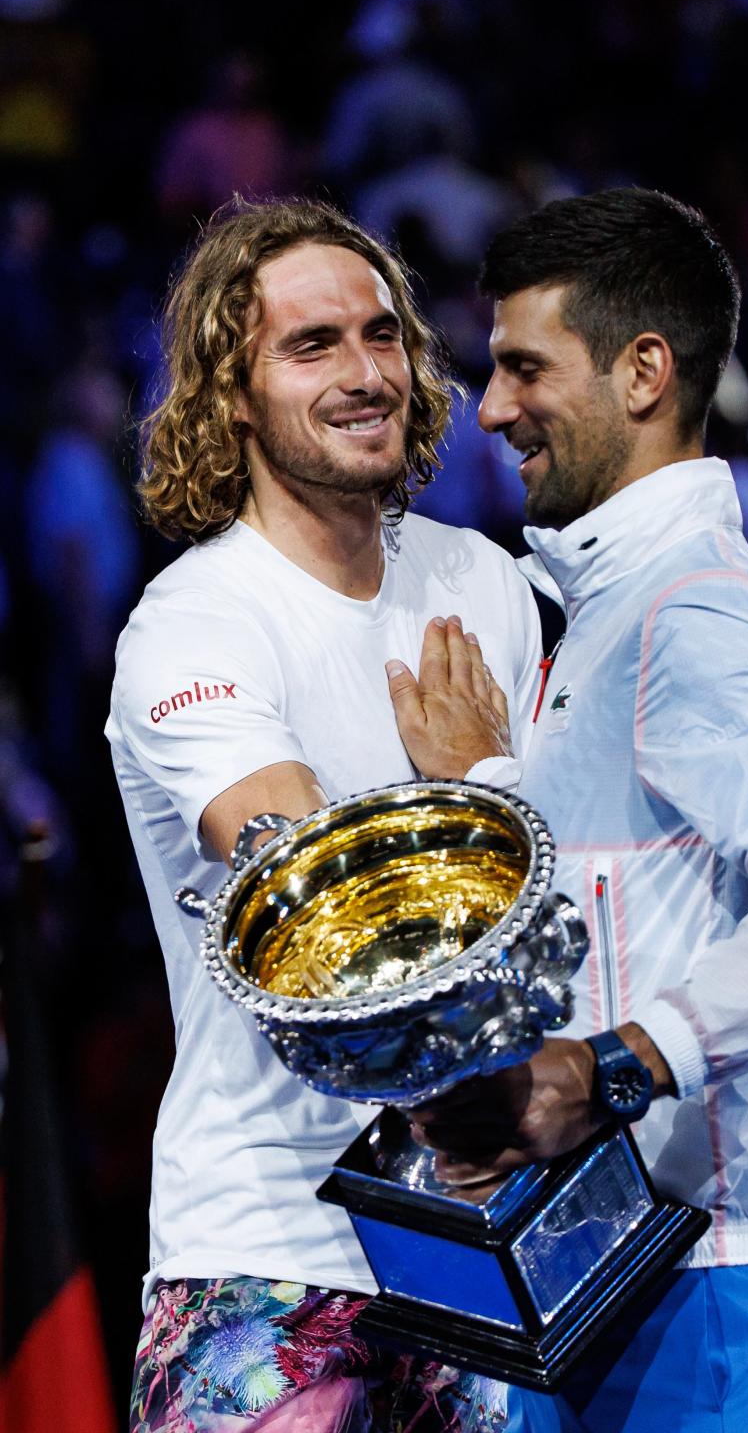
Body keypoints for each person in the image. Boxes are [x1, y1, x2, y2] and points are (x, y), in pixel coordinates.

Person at [388, 188, 748, 1433]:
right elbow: (619, 909)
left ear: (643, 372)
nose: (492, 408)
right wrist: (485, 794)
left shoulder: (699, 613)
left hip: (723, 1290)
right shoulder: (603, 613)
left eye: (526, 368)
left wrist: (616, 1068)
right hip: (593, 1277)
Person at [105, 196, 543, 1432]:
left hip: (479, 1245)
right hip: (268, 1245)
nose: (365, 375)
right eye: (313, 346)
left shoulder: (484, 583)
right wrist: (472, 797)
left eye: (382, 335)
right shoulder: (197, 623)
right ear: (229, 392)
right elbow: (328, 926)